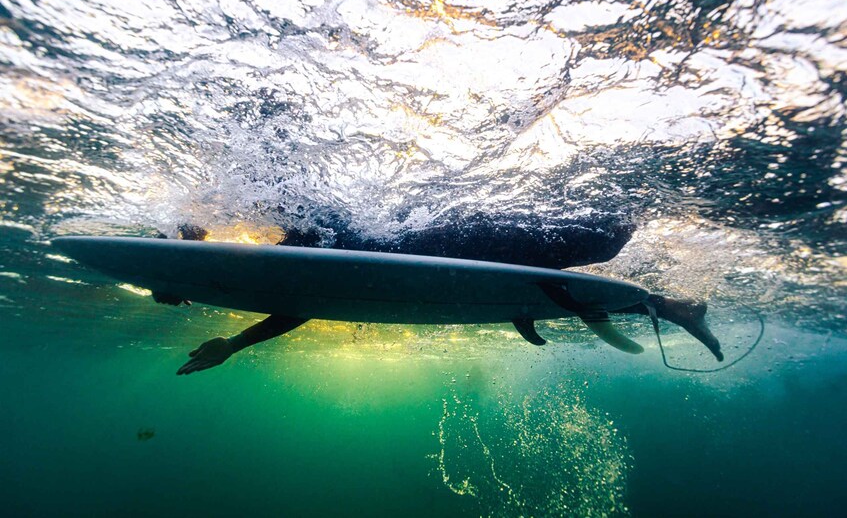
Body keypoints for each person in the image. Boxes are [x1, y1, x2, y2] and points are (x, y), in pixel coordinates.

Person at [164, 213, 723, 375]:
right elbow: (302, 304)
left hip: (457, 240)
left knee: (586, 257)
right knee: (567, 284)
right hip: (456, 256)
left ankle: (671, 305)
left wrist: (231, 339)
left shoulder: (311, 243)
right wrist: (232, 344)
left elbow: (299, 301)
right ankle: (673, 307)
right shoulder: (303, 272)